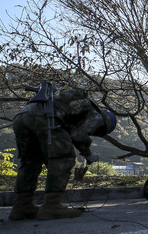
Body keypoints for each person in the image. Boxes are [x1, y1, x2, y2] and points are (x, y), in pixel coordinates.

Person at [8, 84, 116, 221]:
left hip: (22, 115)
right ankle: (51, 206)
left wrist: (85, 152)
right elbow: (79, 135)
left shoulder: (72, 107)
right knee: (63, 159)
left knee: (30, 162)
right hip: (46, 116)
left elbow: (73, 134)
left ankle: (22, 206)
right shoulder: (97, 116)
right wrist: (88, 154)